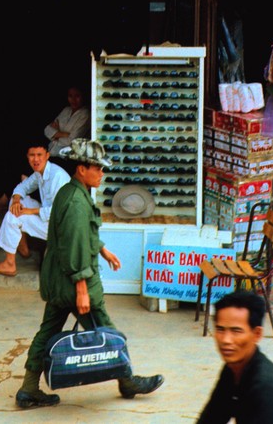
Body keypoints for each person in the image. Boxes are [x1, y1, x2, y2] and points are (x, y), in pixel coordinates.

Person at [16, 138, 164, 409]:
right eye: (97, 168)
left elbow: (82, 234)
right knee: (107, 331)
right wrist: (82, 289)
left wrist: (103, 250)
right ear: (82, 169)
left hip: (60, 283)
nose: (102, 174)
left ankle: (28, 388)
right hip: (74, 285)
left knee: (47, 331)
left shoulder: (71, 193)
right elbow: (74, 247)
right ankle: (127, 380)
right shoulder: (76, 201)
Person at [197, 291, 273, 424]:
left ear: (257, 334)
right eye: (220, 329)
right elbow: (212, 417)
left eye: (236, 331)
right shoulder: (232, 369)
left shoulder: (264, 386)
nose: (226, 340)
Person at [0, 140, 70, 277]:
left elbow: (59, 212)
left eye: (39, 155)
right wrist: (17, 199)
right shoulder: (39, 173)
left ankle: (10, 264)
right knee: (17, 202)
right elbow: (23, 187)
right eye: (32, 155)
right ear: (27, 157)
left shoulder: (57, 176)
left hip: (61, 227)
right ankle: (22, 245)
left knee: (13, 216)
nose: (35, 159)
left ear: (47, 155)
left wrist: (30, 211)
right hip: (50, 218)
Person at [43, 86, 90, 155]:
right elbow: (47, 130)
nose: (73, 100)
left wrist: (55, 135)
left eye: (77, 96)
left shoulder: (85, 114)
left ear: (83, 96)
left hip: (67, 157)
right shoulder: (66, 110)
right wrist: (64, 134)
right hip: (51, 152)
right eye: (70, 96)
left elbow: (72, 141)